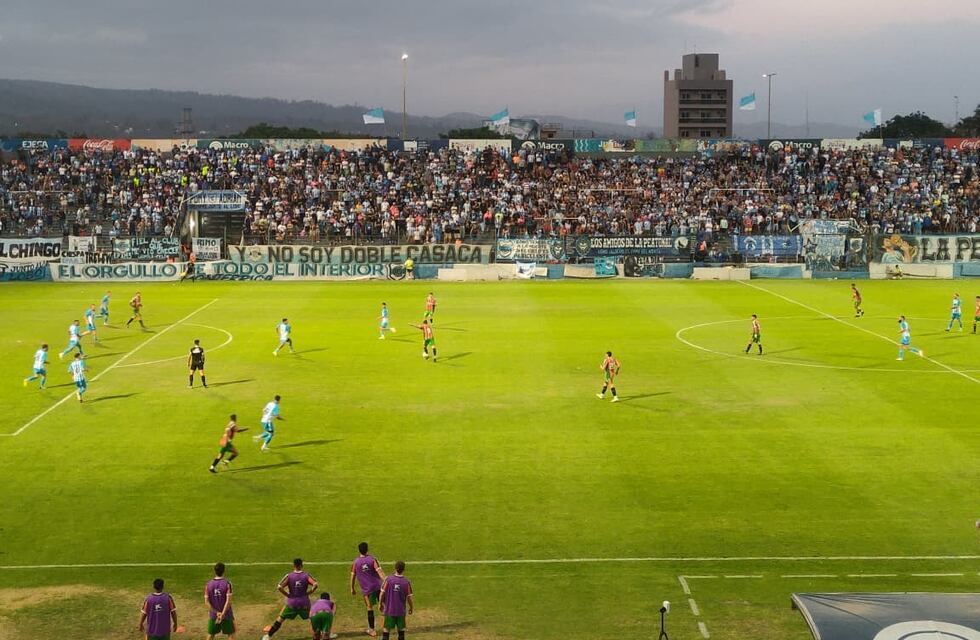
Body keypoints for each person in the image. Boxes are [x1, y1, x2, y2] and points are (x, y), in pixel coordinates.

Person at [262, 558, 319, 640]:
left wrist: (287, 595)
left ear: (294, 565)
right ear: (302, 565)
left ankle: (268, 636)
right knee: (312, 619)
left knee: (280, 618)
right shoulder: (306, 575)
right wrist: (309, 592)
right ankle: (324, 633)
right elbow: (315, 584)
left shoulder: (289, 576)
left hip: (292, 603)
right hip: (304, 603)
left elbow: (279, 587)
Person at [351, 542, 386, 637]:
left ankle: (372, 630)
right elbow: (380, 572)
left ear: (359, 550)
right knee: (383, 606)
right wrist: (387, 581)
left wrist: (352, 588)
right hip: (378, 587)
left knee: (369, 608)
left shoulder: (356, 562)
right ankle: (387, 627)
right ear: (367, 549)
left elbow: (353, 576)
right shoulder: (373, 559)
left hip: (367, 590)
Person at [379, 561, 414, 640]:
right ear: (403, 569)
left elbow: (382, 594)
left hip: (389, 610)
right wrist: (411, 607)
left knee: (386, 630)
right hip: (401, 611)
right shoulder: (406, 582)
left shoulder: (388, 579)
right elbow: (409, 598)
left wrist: (380, 604)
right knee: (401, 631)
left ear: (395, 568)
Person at [205, 562, 236, 640]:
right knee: (231, 634)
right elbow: (228, 602)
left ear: (214, 571)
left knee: (211, 635)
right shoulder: (227, 584)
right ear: (224, 571)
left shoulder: (208, 584)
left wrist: (217, 613)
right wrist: (222, 614)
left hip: (214, 615)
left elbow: (206, 602)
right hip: (227, 614)